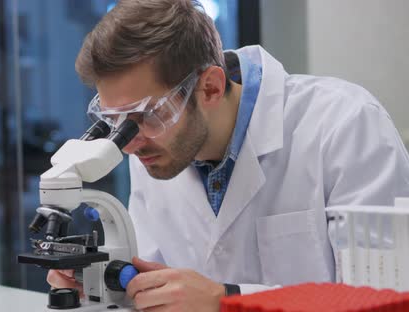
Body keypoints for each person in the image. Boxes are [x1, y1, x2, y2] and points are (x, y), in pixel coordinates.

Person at [47, 0, 409, 311]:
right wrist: (106, 282)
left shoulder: (344, 123)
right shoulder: (155, 152)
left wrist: (228, 300)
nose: (128, 143)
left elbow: (386, 299)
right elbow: (154, 282)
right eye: (116, 122)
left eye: (144, 116)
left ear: (210, 88)